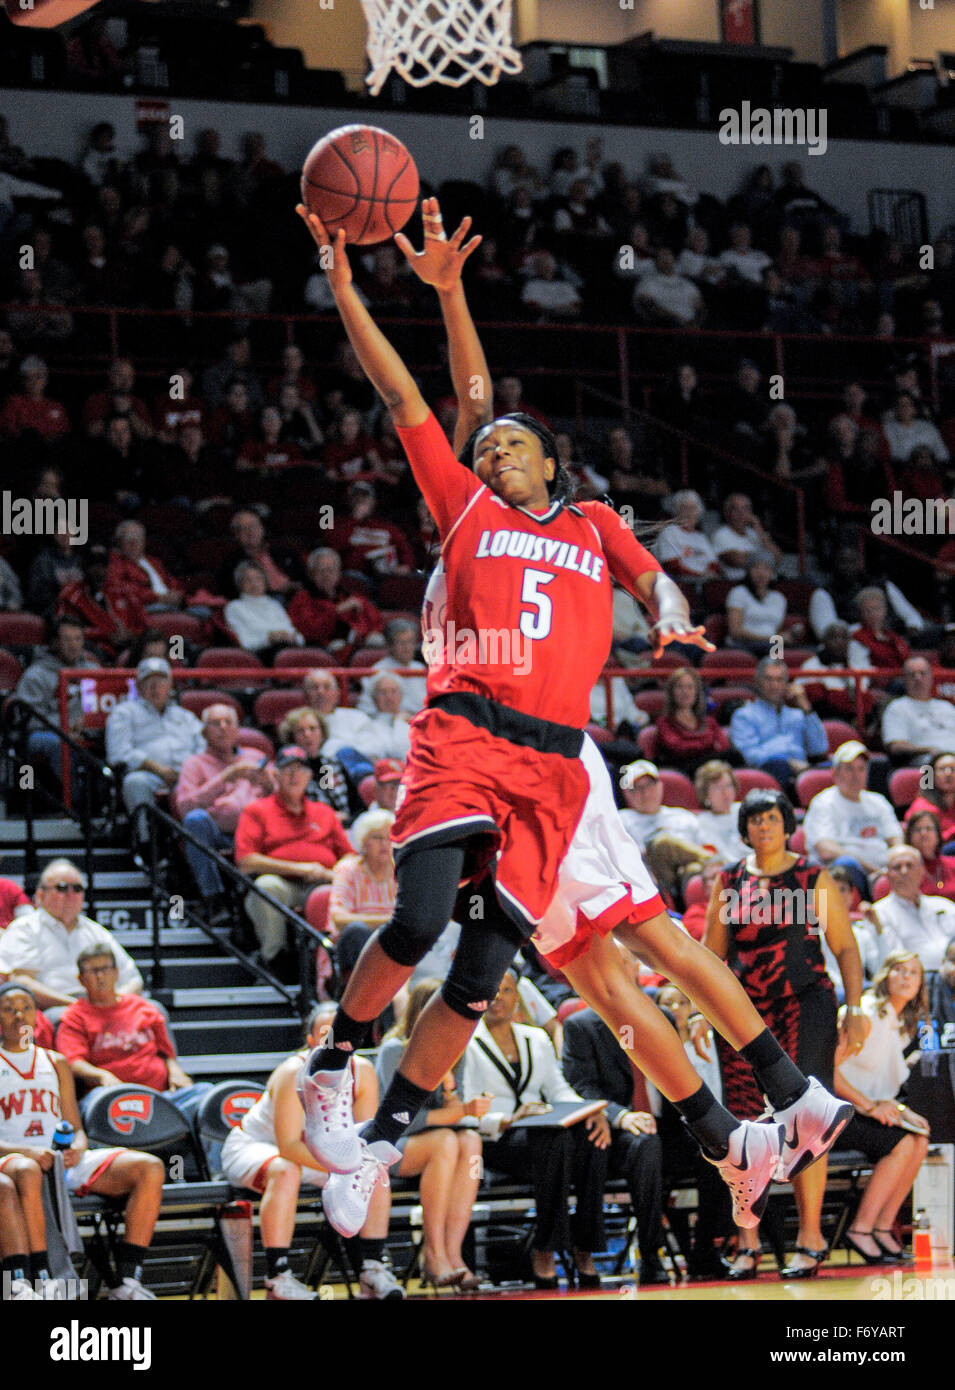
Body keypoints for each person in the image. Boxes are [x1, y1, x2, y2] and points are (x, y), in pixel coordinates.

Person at [296, 197, 855, 1250]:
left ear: (550, 462)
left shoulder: (589, 519)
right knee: (526, 949)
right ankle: (732, 1124)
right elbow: (432, 401)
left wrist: (678, 614)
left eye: (514, 443)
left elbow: (647, 571)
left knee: (593, 949)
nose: (496, 450)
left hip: (556, 766)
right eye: (489, 445)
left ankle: (767, 1107)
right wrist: (360, 288)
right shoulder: (466, 512)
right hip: (473, 738)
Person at [703, 788, 864, 1278]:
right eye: (755, 819)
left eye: (772, 817)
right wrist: (696, 1013)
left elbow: (846, 947)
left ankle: (810, 1237)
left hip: (805, 1005)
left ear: (786, 822)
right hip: (743, 1012)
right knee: (742, 1124)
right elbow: (709, 958)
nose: (764, 826)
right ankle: (748, 1243)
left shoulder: (812, 876)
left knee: (806, 1120)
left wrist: (854, 1007)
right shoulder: (729, 879)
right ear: (745, 828)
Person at [220, 1002, 404, 1300]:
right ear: (310, 1040)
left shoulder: (363, 1071)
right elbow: (289, 1146)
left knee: (374, 1171)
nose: (334, 1040)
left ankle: (372, 1270)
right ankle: (276, 1278)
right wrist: (344, 1167)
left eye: (340, 1033)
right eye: (325, 1034)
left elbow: (361, 1141)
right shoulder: (292, 1071)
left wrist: (356, 1166)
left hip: (317, 1156)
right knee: (286, 1170)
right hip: (254, 1147)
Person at [0, 982, 163, 1301]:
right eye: (8, 1009)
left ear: (38, 1018)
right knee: (27, 1168)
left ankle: (127, 1283)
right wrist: (26, 1151)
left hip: (59, 1160)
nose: (19, 1015)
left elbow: (74, 1126)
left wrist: (77, 1145)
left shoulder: (56, 1062)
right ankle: (38, 1279)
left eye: (26, 1008)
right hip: (12, 1160)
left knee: (150, 1168)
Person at [460, 968, 611, 1287]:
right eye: (492, 990)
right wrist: (510, 1119)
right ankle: (546, 1247)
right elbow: (467, 1110)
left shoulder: (537, 1038)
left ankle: (585, 1247)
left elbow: (558, 1091)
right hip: (495, 1141)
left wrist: (588, 1111)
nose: (498, 997)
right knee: (551, 1139)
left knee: (591, 1138)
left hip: (542, 1139)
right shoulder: (467, 1043)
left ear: (518, 997)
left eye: (507, 990)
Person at [560, 972, 670, 1284]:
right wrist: (621, 1117)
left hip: (668, 1125)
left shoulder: (663, 1018)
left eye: (628, 966)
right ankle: (651, 1256)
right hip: (619, 1130)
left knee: (721, 1142)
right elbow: (580, 1087)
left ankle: (709, 1246)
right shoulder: (580, 1025)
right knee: (644, 1143)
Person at [377, 980, 486, 1288]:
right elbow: (395, 1120)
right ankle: (433, 1255)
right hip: (389, 1145)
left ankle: (453, 1254)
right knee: (446, 1141)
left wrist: (450, 1085)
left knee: (470, 1140)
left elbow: (456, 1111)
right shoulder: (395, 1049)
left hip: (440, 1145)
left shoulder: (456, 1047)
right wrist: (453, 1113)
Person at [833, 952, 931, 1264]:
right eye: (899, 970)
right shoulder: (866, 1014)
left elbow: (882, 1086)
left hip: (865, 1109)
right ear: (885, 975)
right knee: (902, 1144)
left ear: (920, 984)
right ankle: (861, 1229)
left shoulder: (899, 1022)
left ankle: (883, 1227)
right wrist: (871, 1105)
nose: (906, 977)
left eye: (913, 973)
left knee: (920, 1138)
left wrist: (900, 1110)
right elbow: (827, 1073)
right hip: (836, 1110)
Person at [234, 745, 352, 976]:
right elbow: (246, 860)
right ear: (275, 775)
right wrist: (299, 868)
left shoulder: (324, 812)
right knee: (267, 887)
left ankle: (335, 966)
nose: (294, 776)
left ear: (309, 776)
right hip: (283, 884)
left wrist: (331, 873)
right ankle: (275, 960)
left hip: (324, 882)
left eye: (300, 770)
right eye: (287, 770)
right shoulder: (257, 810)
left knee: (338, 891)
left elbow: (350, 856)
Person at [56, 945, 211, 1122]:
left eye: (105, 969)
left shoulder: (143, 1007)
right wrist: (101, 1075)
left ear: (116, 973)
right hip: (111, 1098)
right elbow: (73, 1062)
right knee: (97, 1107)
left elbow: (166, 1052)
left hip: (162, 1097)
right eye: (93, 971)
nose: (100, 976)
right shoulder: (74, 1015)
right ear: (81, 979)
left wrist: (174, 1070)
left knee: (207, 1095)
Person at [0, 859, 142, 1017]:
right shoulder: (25, 928)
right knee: (61, 1017)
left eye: (77, 888)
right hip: (56, 1007)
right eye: (62, 888)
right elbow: (21, 981)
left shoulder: (95, 931)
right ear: (41, 894)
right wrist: (75, 1005)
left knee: (154, 1009)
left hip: (104, 1004)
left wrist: (114, 1002)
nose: (71, 894)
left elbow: (134, 980)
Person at [172, 703, 273, 908]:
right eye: (215, 724)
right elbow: (184, 808)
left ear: (238, 729)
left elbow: (285, 795)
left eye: (228, 722)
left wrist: (269, 782)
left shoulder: (256, 757)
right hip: (218, 834)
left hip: (258, 831)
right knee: (195, 820)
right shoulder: (194, 763)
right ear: (204, 732)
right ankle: (213, 897)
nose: (223, 727)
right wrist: (228, 775)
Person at [105, 657, 204, 851]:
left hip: (186, 775)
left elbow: (202, 747)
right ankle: (147, 843)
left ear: (170, 685)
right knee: (135, 782)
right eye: (149, 682)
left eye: (161, 681)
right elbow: (119, 753)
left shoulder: (185, 716)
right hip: (150, 775)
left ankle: (201, 839)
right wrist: (158, 769)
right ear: (139, 686)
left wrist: (190, 770)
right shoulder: (124, 712)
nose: (155, 687)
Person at [802, 741, 902, 894]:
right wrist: (870, 869)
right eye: (849, 769)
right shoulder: (823, 803)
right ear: (834, 773)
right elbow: (825, 850)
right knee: (846, 863)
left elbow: (896, 840)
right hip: (847, 875)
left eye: (861, 769)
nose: (856, 775)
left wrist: (897, 862)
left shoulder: (878, 801)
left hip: (884, 871)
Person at [15, 617, 98, 790]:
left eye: (78, 638)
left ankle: (107, 797)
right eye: (66, 639)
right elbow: (29, 720)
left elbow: (104, 707)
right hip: (46, 732)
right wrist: (65, 728)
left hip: (87, 730)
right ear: (54, 643)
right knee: (57, 743)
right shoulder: (36, 675)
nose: (73, 645)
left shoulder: (94, 671)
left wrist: (90, 724)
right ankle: (76, 801)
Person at [729, 657, 828, 792]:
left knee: (840, 767)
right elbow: (749, 756)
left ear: (787, 684)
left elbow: (819, 748)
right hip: (769, 775)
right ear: (758, 682)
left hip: (803, 772)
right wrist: (788, 762)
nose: (774, 685)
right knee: (780, 767)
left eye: (779, 680)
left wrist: (806, 707)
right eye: (768, 679)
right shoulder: (744, 715)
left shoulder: (798, 715)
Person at [618, 759, 708, 900]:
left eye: (650, 785)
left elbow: (705, 846)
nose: (646, 793)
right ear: (627, 793)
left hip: (689, 879)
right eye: (637, 788)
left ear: (660, 786)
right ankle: (719, 863)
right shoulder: (621, 820)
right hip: (653, 879)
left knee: (693, 869)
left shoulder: (683, 816)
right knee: (662, 843)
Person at [328, 811, 398, 992]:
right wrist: (390, 921)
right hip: (356, 950)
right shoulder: (348, 869)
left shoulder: (402, 870)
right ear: (363, 842)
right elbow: (339, 919)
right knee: (356, 931)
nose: (384, 843)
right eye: (377, 837)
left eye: (389, 837)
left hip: (395, 944)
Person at [858, 846, 955, 975]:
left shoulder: (943, 905)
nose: (904, 871)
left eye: (910, 865)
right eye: (897, 867)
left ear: (922, 871)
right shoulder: (878, 914)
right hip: (916, 981)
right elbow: (884, 966)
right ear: (887, 875)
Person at [287, 548, 383, 653]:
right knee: (339, 647)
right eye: (321, 570)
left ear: (339, 573)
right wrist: (337, 610)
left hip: (360, 644)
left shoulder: (351, 597)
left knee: (377, 641)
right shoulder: (302, 599)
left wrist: (372, 633)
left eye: (331, 570)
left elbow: (377, 622)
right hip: (325, 648)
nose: (327, 575)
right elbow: (309, 631)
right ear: (311, 574)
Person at [276, 707, 358, 826]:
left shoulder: (332, 764)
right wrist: (331, 817)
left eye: (312, 729)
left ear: (322, 733)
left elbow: (357, 807)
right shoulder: (291, 773)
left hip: (346, 826)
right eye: (300, 731)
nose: (308, 735)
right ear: (292, 737)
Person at [655, 668, 733, 776]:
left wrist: (693, 744)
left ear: (697, 692)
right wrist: (709, 744)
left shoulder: (709, 721)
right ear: (671, 692)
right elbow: (678, 749)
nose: (685, 692)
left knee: (732, 756)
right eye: (680, 687)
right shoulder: (664, 722)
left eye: (690, 687)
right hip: (683, 770)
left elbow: (723, 746)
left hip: (712, 767)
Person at [882, 656, 955, 766]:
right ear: (904, 680)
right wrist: (927, 750)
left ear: (931, 677)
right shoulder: (897, 708)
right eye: (912, 675)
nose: (918, 678)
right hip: (926, 764)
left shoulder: (947, 707)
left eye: (922, 673)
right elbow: (895, 746)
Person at [224, 561, 303, 660]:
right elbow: (245, 643)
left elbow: (297, 636)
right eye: (248, 580)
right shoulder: (234, 607)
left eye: (258, 578)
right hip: (259, 655)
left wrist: (292, 637)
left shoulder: (274, 604)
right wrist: (269, 639)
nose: (254, 583)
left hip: (287, 648)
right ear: (240, 584)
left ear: (265, 581)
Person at [357, 620, 427, 716]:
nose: (407, 648)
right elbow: (366, 708)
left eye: (410, 642)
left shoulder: (420, 668)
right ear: (389, 646)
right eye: (401, 643)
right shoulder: (377, 671)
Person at [726, 555, 789, 657]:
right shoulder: (739, 592)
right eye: (756, 568)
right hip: (744, 645)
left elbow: (776, 629)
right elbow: (735, 632)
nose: (761, 573)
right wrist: (771, 638)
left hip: (772, 644)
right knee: (775, 651)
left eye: (766, 569)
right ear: (748, 572)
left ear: (773, 573)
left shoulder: (779, 598)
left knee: (807, 652)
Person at [694, 761, 748, 862]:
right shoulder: (702, 823)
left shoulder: (745, 810)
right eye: (717, 788)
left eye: (728, 785)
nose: (725, 793)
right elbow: (719, 857)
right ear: (705, 794)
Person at [906, 752, 955, 846]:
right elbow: (925, 842)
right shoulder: (922, 806)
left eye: (953, 769)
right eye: (942, 769)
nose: (948, 773)